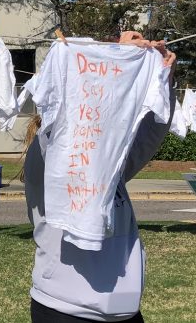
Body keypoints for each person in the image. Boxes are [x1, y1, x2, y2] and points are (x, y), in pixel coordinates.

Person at [23, 32, 176, 323]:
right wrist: (116, 59)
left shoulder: (108, 167)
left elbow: (148, 137)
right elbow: (79, 114)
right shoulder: (44, 158)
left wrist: (165, 80)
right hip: (66, 309)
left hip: (123, 310)